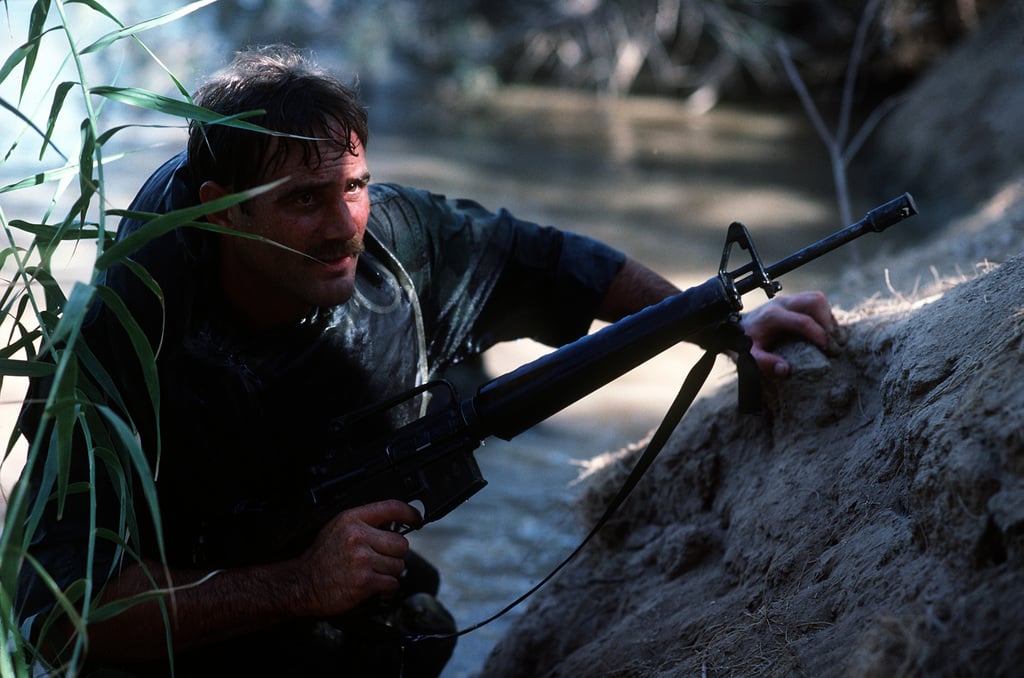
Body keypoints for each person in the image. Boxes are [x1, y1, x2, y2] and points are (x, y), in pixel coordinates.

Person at [16, 45, 838, 677]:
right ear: (221, 216)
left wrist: (725, 324)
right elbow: (57, 607)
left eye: (355, 185)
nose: (344, 225)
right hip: (184, 635)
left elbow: (551, 262)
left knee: (414, 631)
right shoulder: (121, 340)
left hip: (333, 580)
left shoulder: (394, 243)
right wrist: (298, 584)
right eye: (304, 201)